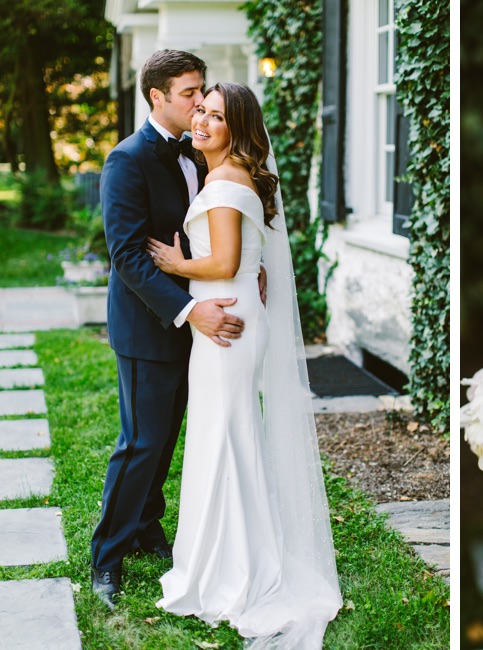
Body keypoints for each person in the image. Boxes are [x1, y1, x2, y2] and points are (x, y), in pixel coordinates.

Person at [147, 82, 342, 646]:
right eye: (200, 111)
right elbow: (244, 260)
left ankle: (233, 569)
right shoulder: (229, 176)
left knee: (225, 437)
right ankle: (232, 555)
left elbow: (226, 261)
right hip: (232, 317)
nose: (201, 121)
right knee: (227, 435)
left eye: (216, 116)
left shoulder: (226, 182)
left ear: (237, 129)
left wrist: (176, 264)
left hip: (226, 324)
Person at [91, 49, 253, 608]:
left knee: (165, 440)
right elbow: (127, 256)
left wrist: (247, 269)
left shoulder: (202, 153)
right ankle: (106, 556)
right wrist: (188, 310)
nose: (200, 101)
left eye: (202, 90)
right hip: (149, 325)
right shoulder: (127, 160)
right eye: (189, 93)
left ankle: (145, 526)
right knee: (141, 442)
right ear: (157, 96)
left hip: (197, 324)